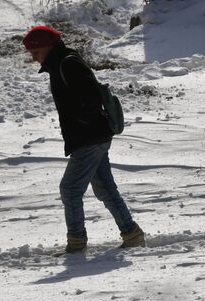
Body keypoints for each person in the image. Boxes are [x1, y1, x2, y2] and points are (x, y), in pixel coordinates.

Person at [22, 26, 145, 252]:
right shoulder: (61, 63)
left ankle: (77, 242)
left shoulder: (68, 63)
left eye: (35, 52)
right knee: (105, 189)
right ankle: (132, 234)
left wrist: (81, 121)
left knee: (70, 189)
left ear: (46, 46)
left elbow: (91, 96)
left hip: (89, 138)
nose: (33, 57)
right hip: (93, 136)